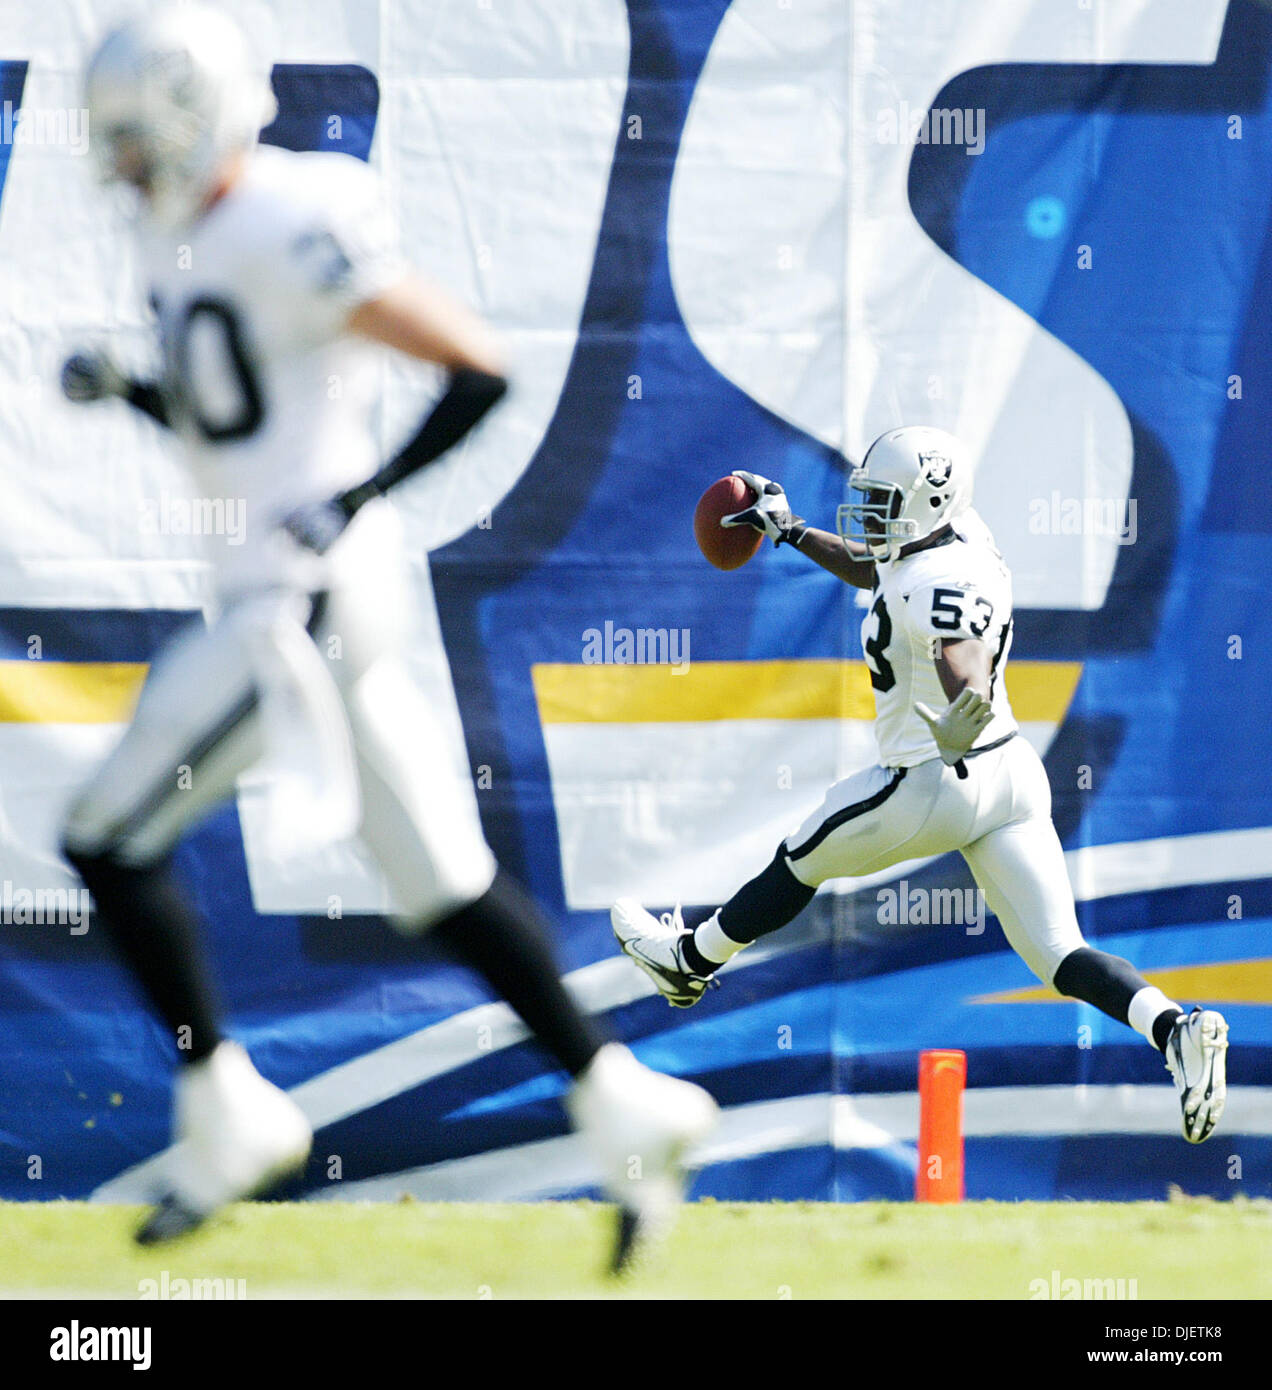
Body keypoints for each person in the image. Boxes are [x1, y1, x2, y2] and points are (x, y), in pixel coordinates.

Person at [61, 3, 716, 1267]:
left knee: (101, 840)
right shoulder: (182, 243)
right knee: (445, 888)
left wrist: (355, 498)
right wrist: (132, 390)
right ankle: (628, 1104)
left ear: (196, 114)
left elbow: (475, 366)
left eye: (141, 140)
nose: (130, 168)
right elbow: (238, 415)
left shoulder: (290, 211)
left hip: (294, 608)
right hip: (301, 595)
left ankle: (227, 1111)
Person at [612, 426, 1229, 1145]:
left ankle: (686, 963)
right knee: (1062, 953)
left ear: (928, 502)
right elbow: (885, 574)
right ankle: (1175, 1030)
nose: (871, 518)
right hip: (1010, 777)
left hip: (930, 779)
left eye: (884, 504)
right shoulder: (957, 535)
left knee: (801, 856)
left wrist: (959, 704)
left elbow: (955, 650)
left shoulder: (937, 581)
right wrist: (791, 531)